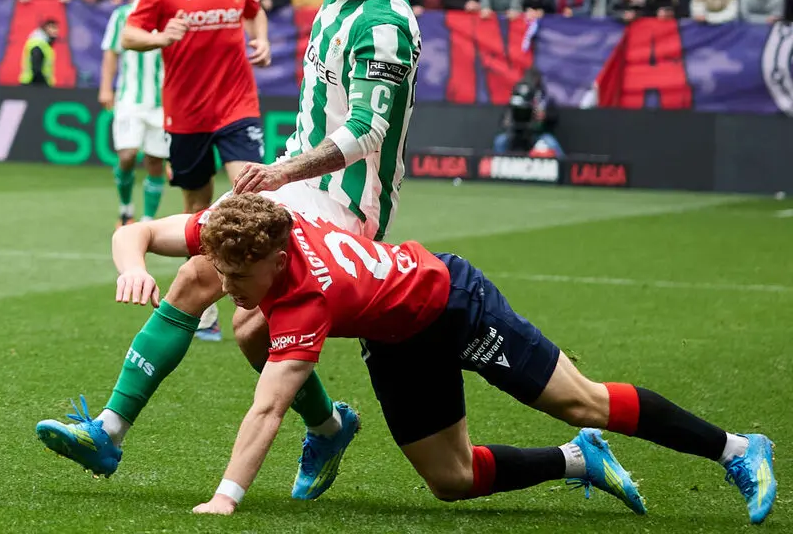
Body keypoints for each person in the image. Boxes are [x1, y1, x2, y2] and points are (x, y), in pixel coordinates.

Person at [36, 0, 421, 502]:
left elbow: (368, 131)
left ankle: (320, 428)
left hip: (342, 206)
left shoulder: (385, 25)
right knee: (221, 302)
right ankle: (114, 431)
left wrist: (283, 172)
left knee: (233, 315)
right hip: (296, 187)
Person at [183, 194, 774, 525]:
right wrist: (132, 256)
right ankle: (577, 462)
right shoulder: (273, 228)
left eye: (238, 274)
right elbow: (158, 234)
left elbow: (266, 412)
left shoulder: (308, 302)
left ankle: (738, 449)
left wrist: (226, 497)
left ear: (275, 256)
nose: (228, 283)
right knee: (452, 481)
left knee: (581, 401)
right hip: (396, 339)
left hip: (453, 303)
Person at [119, 0, 272, 340]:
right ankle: (203, 304)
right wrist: (161, 36)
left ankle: (264, 300)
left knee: (251, 195)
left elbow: (253, 12)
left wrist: (258, 38)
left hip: (237, 104)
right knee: (196, 211)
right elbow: (130, 35)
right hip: (187, 114)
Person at [100, 0, 169, 228]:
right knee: (127, 155)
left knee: (155, 162)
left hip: (163, 103)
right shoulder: (123, 15)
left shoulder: (171, 16)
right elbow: (111, 51)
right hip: (130, 99)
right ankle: (125, 208)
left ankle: (147, 220)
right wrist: (105, 88)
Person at [493, 68, 563, 157]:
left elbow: (555, 118)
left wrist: (544, 116)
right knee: (500, 141)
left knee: (551, 143)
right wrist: (510, 118)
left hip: (537, 134)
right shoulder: (517, 95)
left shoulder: (546, 99)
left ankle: (564, 168)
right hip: (515, 135)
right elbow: (504, 118)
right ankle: (496, 169)